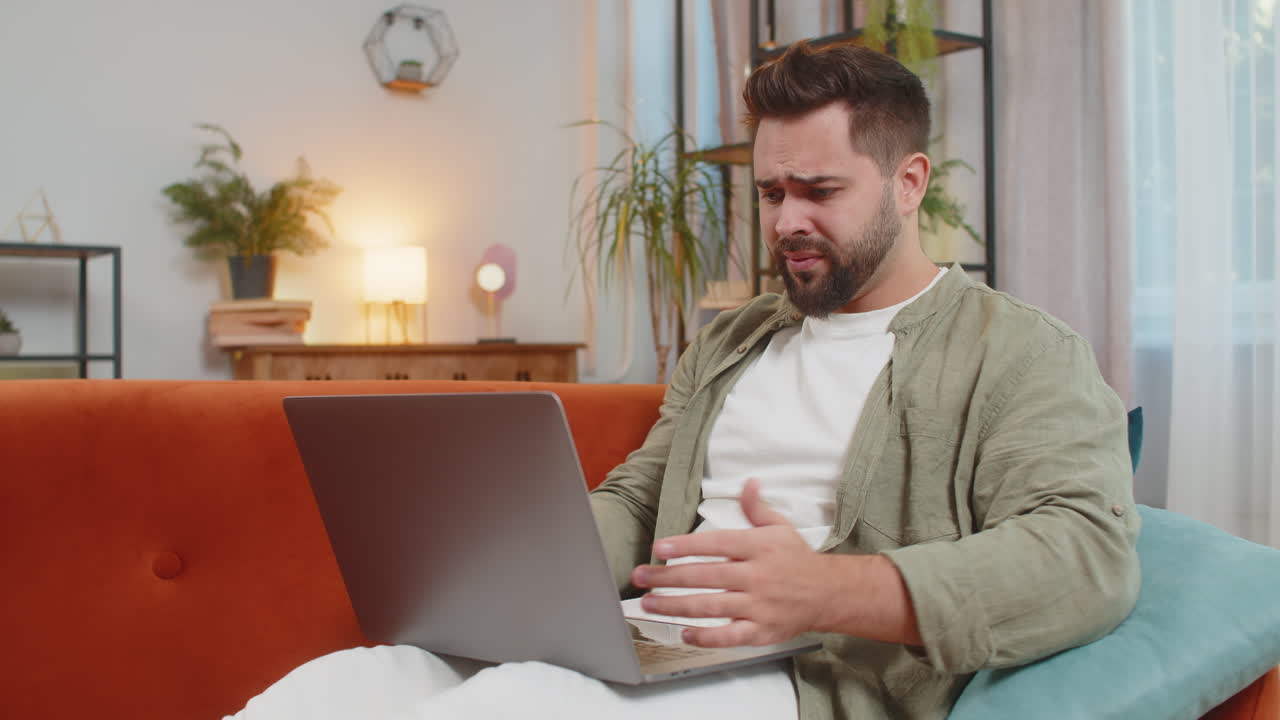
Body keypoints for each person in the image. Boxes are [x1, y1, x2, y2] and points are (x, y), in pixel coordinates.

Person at [228, 41, 1140, 720]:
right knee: (335, 689)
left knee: (514, 707)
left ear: (909, 183)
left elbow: (1087, 557)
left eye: (820, 190)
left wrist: (826, 590)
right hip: (653, 644)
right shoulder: (735, 338)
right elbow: (644, 491)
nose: (787, 220)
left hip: (803, 677)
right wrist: (504, 567)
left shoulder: (1018, 351)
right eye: (773, 192)